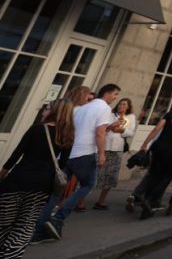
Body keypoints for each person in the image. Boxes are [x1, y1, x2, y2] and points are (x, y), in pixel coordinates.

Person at [39, 83, 120, 239]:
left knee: (58, 190)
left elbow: (85, 129)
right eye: (115, 94)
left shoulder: (83, 108)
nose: (115, 97)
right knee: (88, 184)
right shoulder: (103, 108)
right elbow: (99, 133)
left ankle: (40, 226)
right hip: (85, 152)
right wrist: (102, 154)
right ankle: (58, 218)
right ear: (108, 94)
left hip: (69, 152)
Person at [1, 98, 73, 259]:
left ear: (53, 110)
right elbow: (63, 165)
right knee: (23, 228)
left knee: (4, 224)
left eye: (47, 108)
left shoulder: (36, 129)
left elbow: (15, 156)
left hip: (18, 181)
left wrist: (2, 175)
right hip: (43, 186)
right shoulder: (67, 136)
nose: (43, 111)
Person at [94, 97, 136, 210]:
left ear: (128, 107)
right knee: (96, 172)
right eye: (120, 104)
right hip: (104, 146)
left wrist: (122, 130)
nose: (121, 106)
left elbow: (131, 132)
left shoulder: (131, 117)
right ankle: (81, 200)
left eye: (124, 105)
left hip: (117, 148)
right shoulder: (110, 114)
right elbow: (103, 128)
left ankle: (101, 200)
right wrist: (112, 126)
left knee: (111, 175)